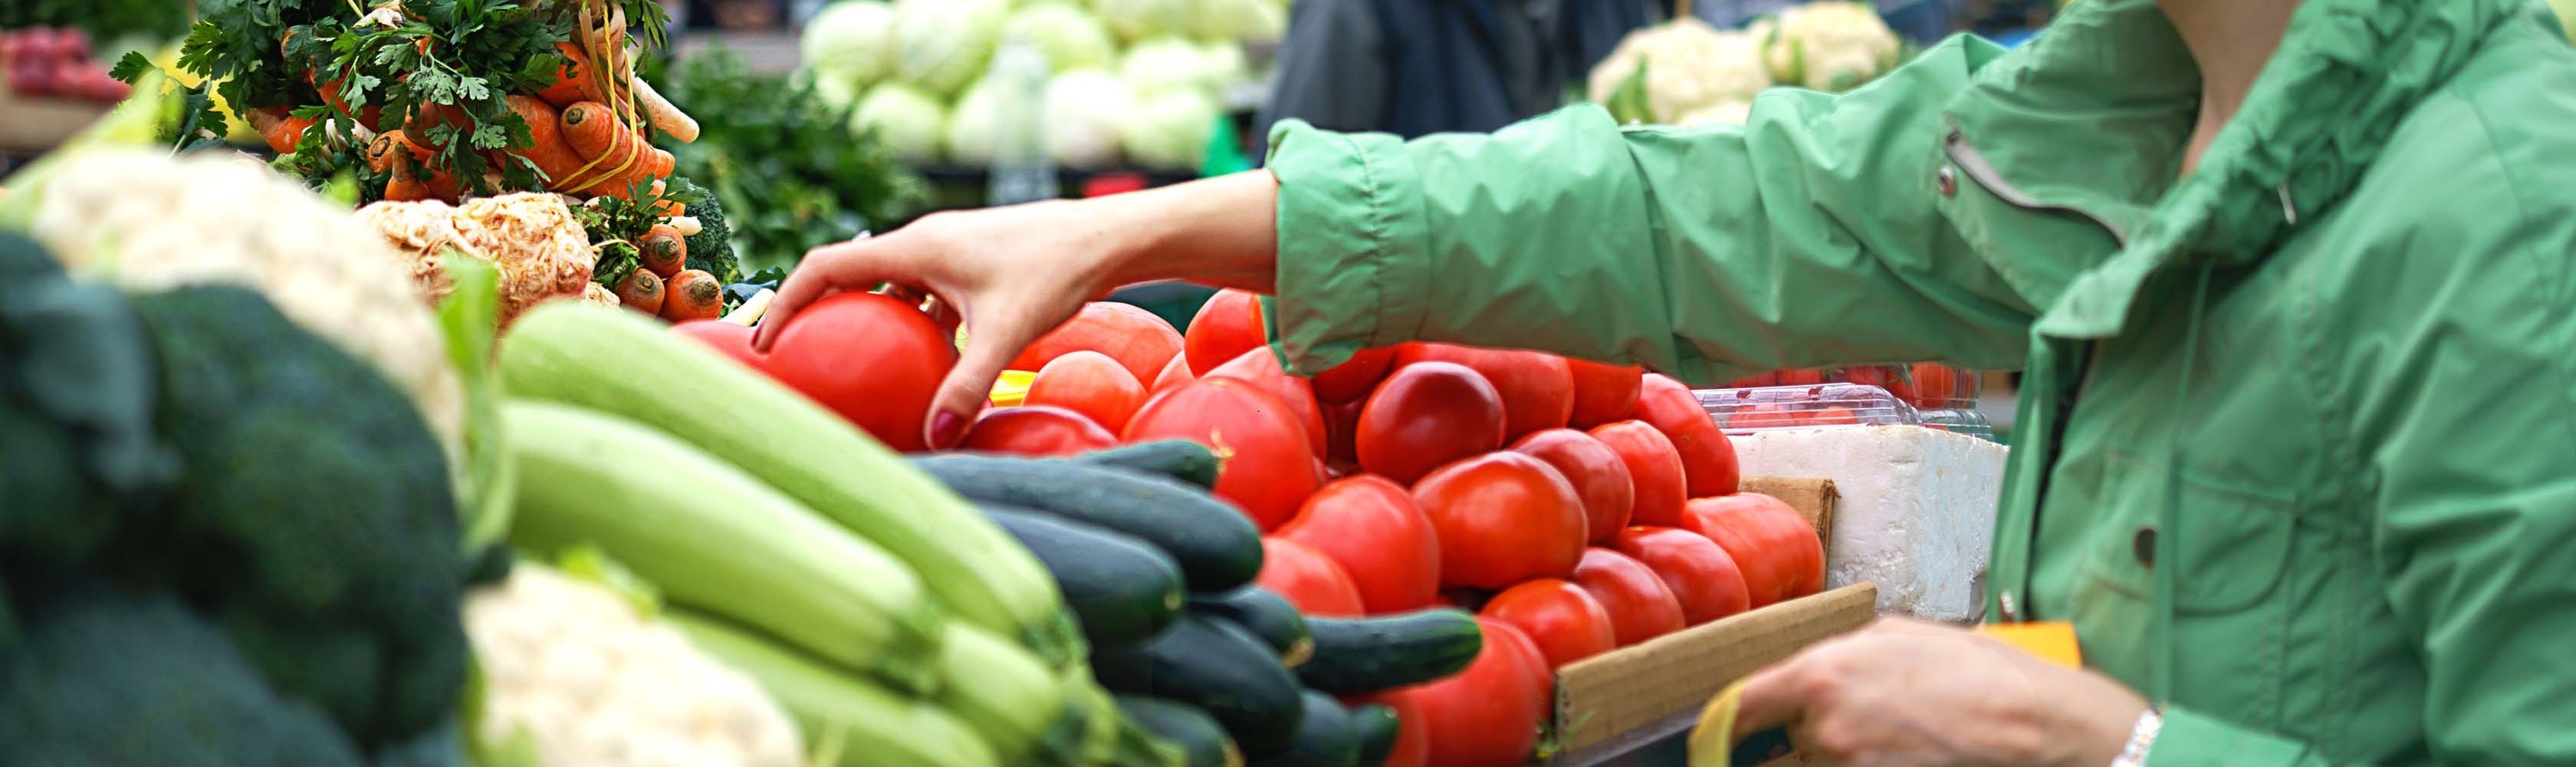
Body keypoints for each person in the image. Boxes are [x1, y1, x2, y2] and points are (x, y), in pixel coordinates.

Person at [761, 0, 2576, 762]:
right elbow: (1685, 211)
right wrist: (1132, 230)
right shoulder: (2120, 100)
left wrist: (2111, 744)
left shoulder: (2512, 217)